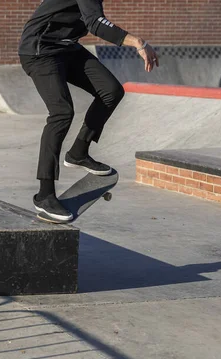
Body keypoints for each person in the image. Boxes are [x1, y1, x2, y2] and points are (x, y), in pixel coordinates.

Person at [19, 0, 159, 222]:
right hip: (40, 49)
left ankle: (78, 152)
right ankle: (45, 194)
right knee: (61, 112)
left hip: (67, 48)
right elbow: (95, 23)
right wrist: (137, 42)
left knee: (111, 91)